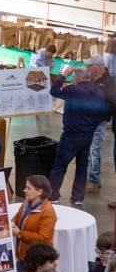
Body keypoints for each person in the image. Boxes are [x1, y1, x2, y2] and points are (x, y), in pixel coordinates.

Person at [49, 65, 109, 205]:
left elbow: (54, 90)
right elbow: (104, 114)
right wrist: (91, 126)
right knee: (82, 166)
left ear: (78, 78)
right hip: (88, 136)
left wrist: (63, 75)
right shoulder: (99, 93)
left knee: (60, 165)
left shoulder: (73, 90)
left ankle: (54, 195)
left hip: (71, 135)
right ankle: (77, 197)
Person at [12, 175, 58, 272]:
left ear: (39, 191)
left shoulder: (48, 212)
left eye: (28, 188)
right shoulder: (26, 203)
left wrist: (20, 233)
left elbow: (43, 238)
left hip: (37, 262)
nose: (24, 190)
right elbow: (16, 219)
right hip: (23, 257)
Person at [86, 55, 116, 194]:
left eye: (89, 65)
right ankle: (88, 178)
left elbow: (111, 105)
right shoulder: (93, 79)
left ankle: (94, 181)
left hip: (98, 122)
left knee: (94, 150)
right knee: (87, 150)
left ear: (98, 67)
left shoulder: (109, 82)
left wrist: (101, 117)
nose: (87, 68)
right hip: (88, 120)